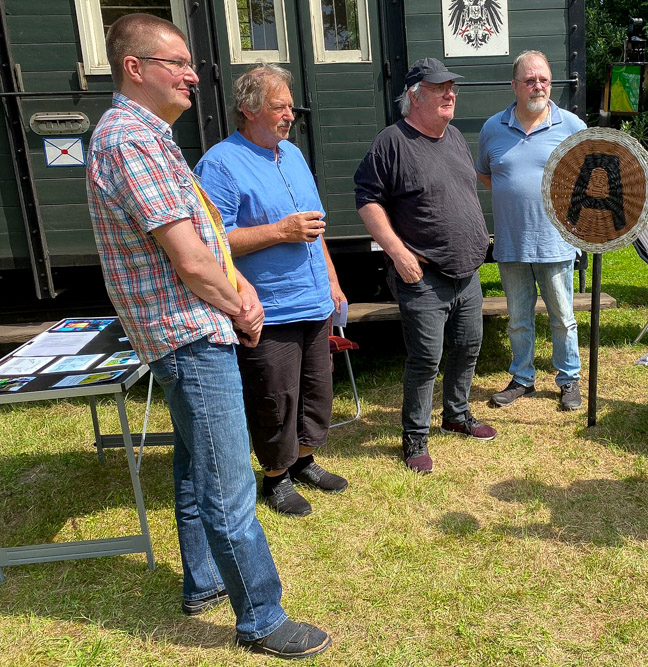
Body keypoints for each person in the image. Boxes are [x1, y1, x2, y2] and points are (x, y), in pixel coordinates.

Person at [86, 14, 329, 658]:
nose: (193, 75)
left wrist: (239, 289)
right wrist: (239, 306)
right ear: (135, 68)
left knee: (198, 470)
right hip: (187, 332)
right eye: (177, 63)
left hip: (193, 326)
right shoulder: (129, 140)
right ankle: (262, 619)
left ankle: (203, 581)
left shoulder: (151, 136)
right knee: (228, 486)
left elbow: (207, 238)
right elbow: (190, 260)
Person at [194, 64, 349, 518]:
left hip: (313, 301)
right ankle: (276, 477)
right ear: (248, 109)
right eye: (280, 107)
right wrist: (280, 231)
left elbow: (315, 228)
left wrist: (333, 280)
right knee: (274, 398)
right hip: (269, 306)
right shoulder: (220, 163)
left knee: (315, 392)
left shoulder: (292, 155)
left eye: (290, 107)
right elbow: (214, 240)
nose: (290, 116)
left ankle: (304, 461)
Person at [354, 57, 496, 475]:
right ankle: (415, 436)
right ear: (414, 96)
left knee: (468, 346)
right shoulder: (392, 142)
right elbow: (367, 200)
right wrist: (398, 253)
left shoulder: (454, 137)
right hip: (423, 275)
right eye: (439, 88)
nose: (450, 94)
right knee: (425, 360)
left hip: (466, 272)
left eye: (452, 87)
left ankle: (456, 414)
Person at [476, 50, 587, 411]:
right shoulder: (492, 128)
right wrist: (517, 197)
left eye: (543, 79)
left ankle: (568, 379)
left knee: (563, 318)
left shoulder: (571, 126)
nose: (538, 86)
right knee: (518, 321)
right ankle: (522, 378)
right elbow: (487, 174)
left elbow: (591, 176)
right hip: (511, 243)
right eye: (529, 80)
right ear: (515, 86)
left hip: (555, 241)